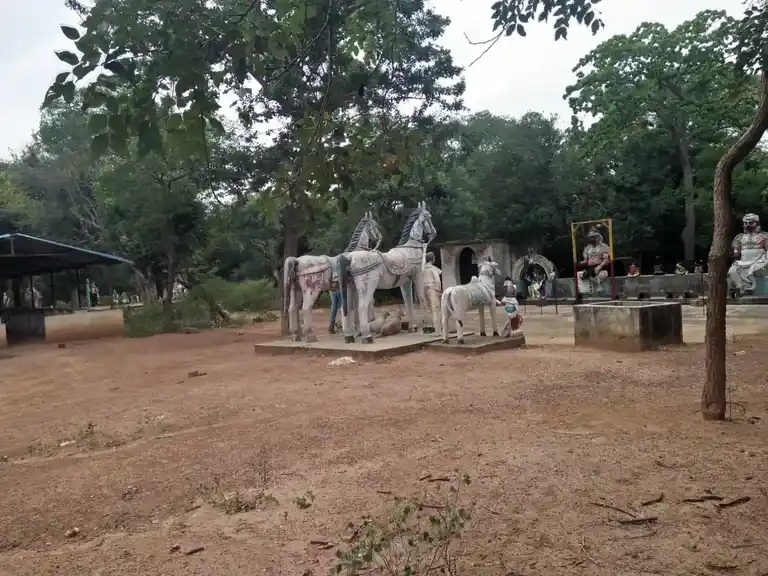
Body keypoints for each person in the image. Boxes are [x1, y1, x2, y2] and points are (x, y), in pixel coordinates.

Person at [421, 252, 442, 334]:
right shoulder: (433, 269)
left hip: (424, 290)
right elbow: (437, 280)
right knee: (436, 310)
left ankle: (428, 328)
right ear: (432, 259)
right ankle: (438, 331)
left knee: (428, 309)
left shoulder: (423, 269)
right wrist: (439, 290)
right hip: (432, 289)